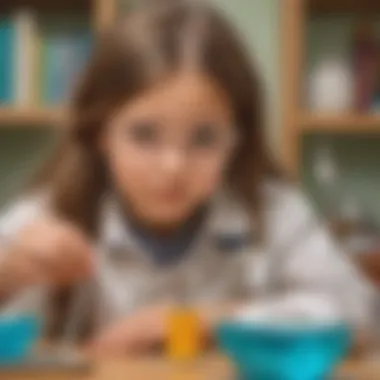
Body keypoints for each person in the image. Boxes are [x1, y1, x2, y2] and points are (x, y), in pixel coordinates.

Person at [0, 0, 374, 356]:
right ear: (101, 133)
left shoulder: (272, 212)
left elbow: (360, 313)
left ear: (236, 139)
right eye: (144, 134)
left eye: (204, 138)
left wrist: (188, 323)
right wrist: (6, 275)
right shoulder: (52, 215)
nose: (172, 166)